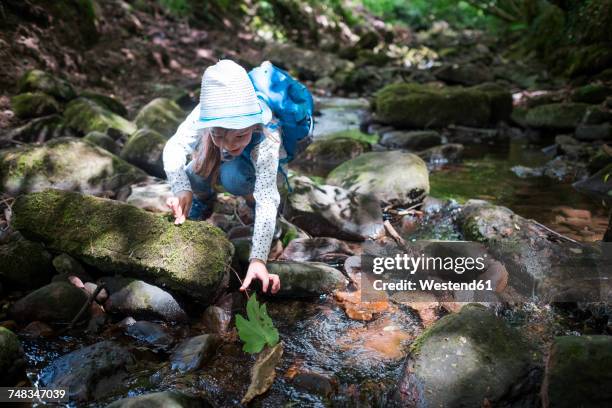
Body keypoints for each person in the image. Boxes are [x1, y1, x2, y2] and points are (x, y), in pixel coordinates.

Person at [163, 59, 282, 295]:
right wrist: (181, 189)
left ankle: (250, 203)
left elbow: (269, 197)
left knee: (233, 177)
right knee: (190, 174)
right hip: (214, 154)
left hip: (250, 167)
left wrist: (258, 259)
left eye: (239, 136)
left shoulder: (268, 133)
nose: (228, 146)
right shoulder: (202, 115)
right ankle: (203, 200)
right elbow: (173, 147)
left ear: (253, 125)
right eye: (218, 135)